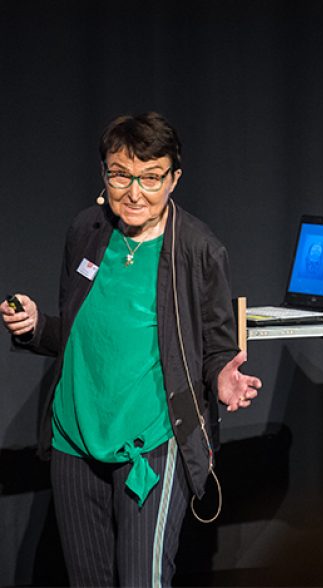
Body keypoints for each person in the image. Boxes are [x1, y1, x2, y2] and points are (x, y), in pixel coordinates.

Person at [0, 111, 262, 587]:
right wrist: (36, 327)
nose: (134, 192)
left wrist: (223, 375)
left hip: (153, 444)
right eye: (121, 175)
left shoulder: (199, 250)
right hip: (74, 442)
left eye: (150, 178)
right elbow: (83, 334)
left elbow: (217, 347)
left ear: (173, 179)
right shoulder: (87, 230)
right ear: (105, 174)